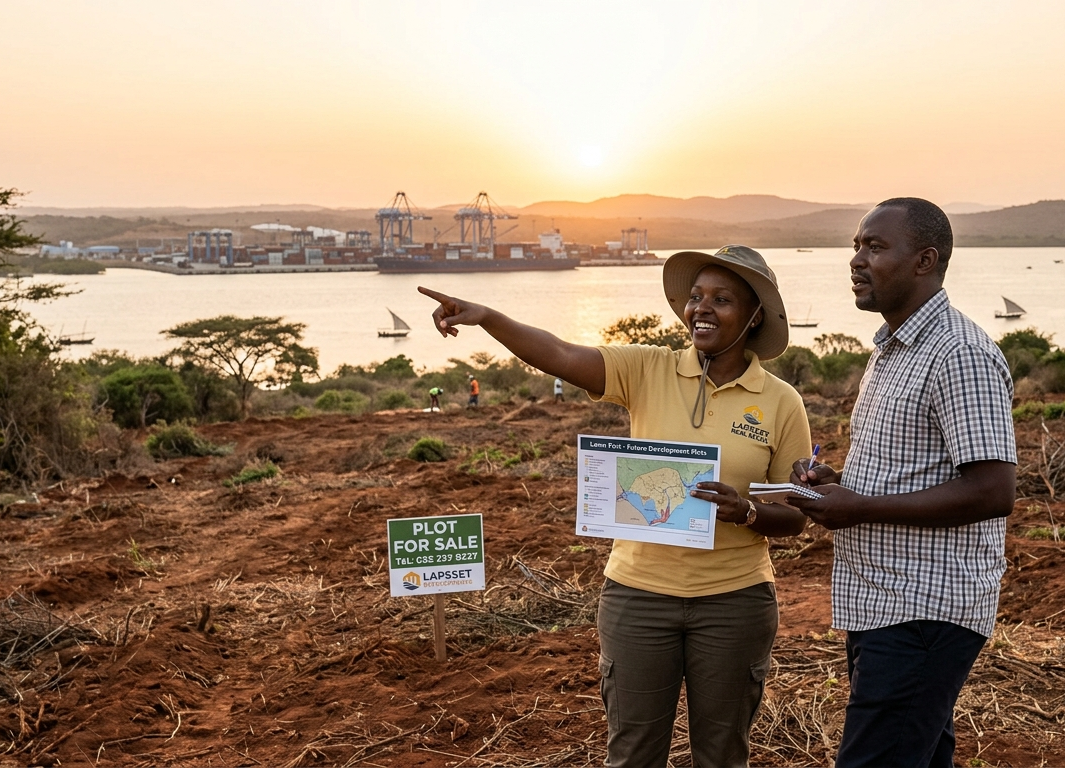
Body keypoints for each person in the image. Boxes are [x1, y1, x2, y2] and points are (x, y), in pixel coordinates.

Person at [419, 245, 812, 768]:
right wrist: (489, 317)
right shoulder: (647, 369)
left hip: (734, 602)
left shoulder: (782, 402)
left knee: (721, 756)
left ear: (755, 313)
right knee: (631, 755)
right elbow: (559, 353)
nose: (702, 309)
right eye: (696, 297)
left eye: (722, 299)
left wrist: (747, 512)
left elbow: (797, 512)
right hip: (638, 599)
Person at [788, 198, 1017, 768]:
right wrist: (837, 483)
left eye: (874, 247)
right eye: (856, 246)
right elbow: (913, 470)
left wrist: (861, 506)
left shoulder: (959, 353)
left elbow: (993, 490)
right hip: (884, 600)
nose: (856, 260)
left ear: (925, 260)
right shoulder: (893, 350)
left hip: (923, 609)